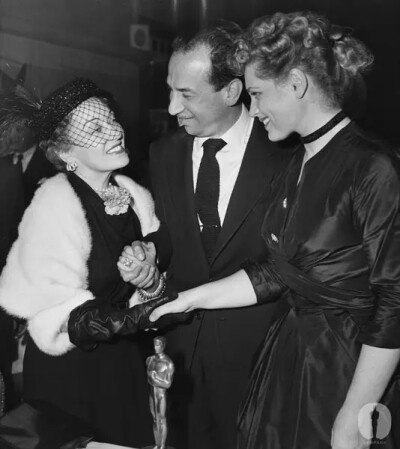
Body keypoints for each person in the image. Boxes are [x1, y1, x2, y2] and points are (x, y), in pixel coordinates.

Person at [150, 12, 400, 449]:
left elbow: (395, 302)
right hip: (289, 361)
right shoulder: (299, 161)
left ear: (297, 84)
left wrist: (357, 414)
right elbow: (276, 272)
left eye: (258, 94)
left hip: (346, 366)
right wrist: (187, 299)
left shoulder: (373, 166)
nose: (255, 109)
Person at [120, 20, 293, 449]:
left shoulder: (287, 155)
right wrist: (149, 254)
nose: (172, 107)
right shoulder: (164, 153)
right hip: (182, 353)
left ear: (231, 92)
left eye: (186, 94)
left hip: (261, 356)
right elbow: (176, 238)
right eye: (169, 90)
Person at [0, 78, 170, 447]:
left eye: (111, 120)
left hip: (125, 366)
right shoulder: (54, 202)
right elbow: (55, 311)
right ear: (67, 155)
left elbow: (156, 283)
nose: (114, 131)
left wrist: (150, 280)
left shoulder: (135, 197)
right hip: (71, 376)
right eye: (95, 127)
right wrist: (136, 316)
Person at [146, 336, 175, 449]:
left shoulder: (168, 363)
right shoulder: (150, 359)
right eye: (154, 344)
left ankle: (162, 446)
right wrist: (152, 378)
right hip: (152, 394)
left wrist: (155, 378)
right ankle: (157, 445)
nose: (155, 347)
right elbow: (148, 379)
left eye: (158, 345)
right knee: (154, 418)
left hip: (161, 395)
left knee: (162, 419)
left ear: (163, 346)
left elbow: (168, 384)